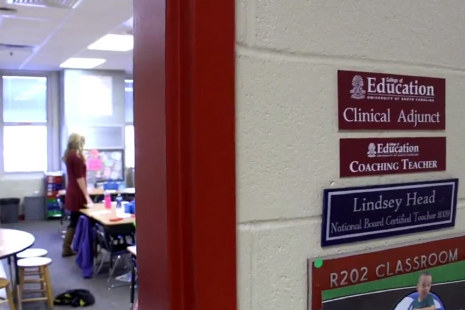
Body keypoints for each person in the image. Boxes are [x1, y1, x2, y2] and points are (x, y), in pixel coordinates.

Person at [62, 133, 93, 257]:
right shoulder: (76, 157)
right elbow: (80, 178)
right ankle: (68, 247)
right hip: (77, 193)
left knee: (75, 219)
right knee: (77, 220)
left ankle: (69, 246)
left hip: (72, 190)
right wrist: (86, 195)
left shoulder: (69, 155)